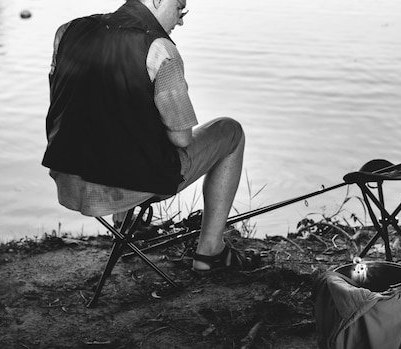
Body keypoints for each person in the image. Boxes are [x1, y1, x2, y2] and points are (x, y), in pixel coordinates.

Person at [41, 0, 247, 273]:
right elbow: (181, 139)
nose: (181, 19)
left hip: (67, 175)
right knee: (231, 131)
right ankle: (210, 252)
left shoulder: (67, 31)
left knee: (108, 116)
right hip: (127, 185)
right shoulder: (159, 49)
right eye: (180, 7)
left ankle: (129, 228)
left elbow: (65, 106)